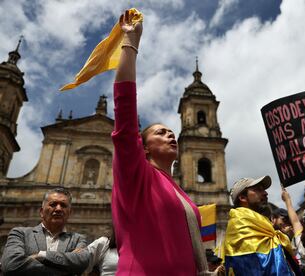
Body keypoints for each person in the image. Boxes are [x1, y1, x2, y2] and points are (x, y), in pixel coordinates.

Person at [111, 10, 212, 275]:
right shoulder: (137, 175)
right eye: (160, 132)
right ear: (143, 148)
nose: (171, 135)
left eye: (171, 131)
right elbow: (124, 113)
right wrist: (131, 44)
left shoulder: (178, 189)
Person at [223, 176, 302, 275]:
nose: (265, 193)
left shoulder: (262, 225)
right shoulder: (240, 227)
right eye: (257, 190)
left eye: (263, 190)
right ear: (242, 197)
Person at [1, 187, 89, 275]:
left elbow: (82, 262)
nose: (58, 209)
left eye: (63, 205)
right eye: (53, 204)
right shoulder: (20, 234)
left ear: (69, 213)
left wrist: (41, 255)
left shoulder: (78, 239)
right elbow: (11, 265)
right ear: (41, 212)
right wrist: (65, 269)